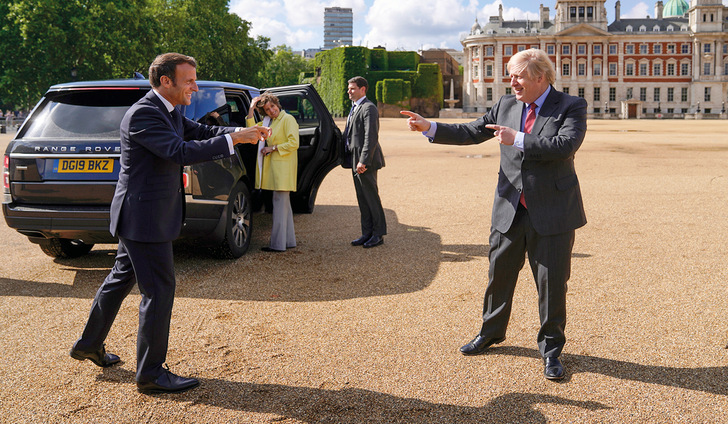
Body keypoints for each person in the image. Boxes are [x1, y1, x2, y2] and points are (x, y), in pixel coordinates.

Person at [69, 53, 270, 394]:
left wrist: (241, 131)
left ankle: (88, 343)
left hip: (142, 215)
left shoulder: (168, 109)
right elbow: (181, 151)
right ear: (166, 81)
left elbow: (200, 130)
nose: (194, 86)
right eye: (189, 80)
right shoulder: (145, 113)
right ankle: (150, 374)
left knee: (120, 279)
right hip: (145, 218)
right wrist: (235, 140)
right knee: (159, 290)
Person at [402, 48, 587, 381]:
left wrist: (516, 138)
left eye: (517, 75)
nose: (511, 81)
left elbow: (565, 146)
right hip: (510, 208)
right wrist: (430, 127)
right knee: (498, 275)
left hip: (553, 211)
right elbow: (472, 131)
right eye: (510, 75)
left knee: (551, 284)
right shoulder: (505, 104)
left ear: (540, 77)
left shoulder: (571, 106)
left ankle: (551, 351)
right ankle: (491, 332)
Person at [246, 93, 299, 252]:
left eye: (272, 106)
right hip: (276, 169)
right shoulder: (269, 122)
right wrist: (251, 109)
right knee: (285, 207)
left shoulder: (288, 119)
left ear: (277, 104)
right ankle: (288, 242)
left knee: (279, 205)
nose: (271, 111)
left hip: (283, 170)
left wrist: (272, 148)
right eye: (268, 109)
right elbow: (251, 131)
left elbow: (294, 143)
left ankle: (277, 245)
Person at [343, 76, 386, 248]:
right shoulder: (355, 107)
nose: (349, 91)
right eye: (349, 88)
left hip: (364, 160)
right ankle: (367, 233)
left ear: (363, 89)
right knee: (362, 198)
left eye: (352, 88)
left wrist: (364, 160)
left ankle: (378, 234)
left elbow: (371, 136)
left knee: (371, 197)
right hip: (355, 158)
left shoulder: (369, 108)